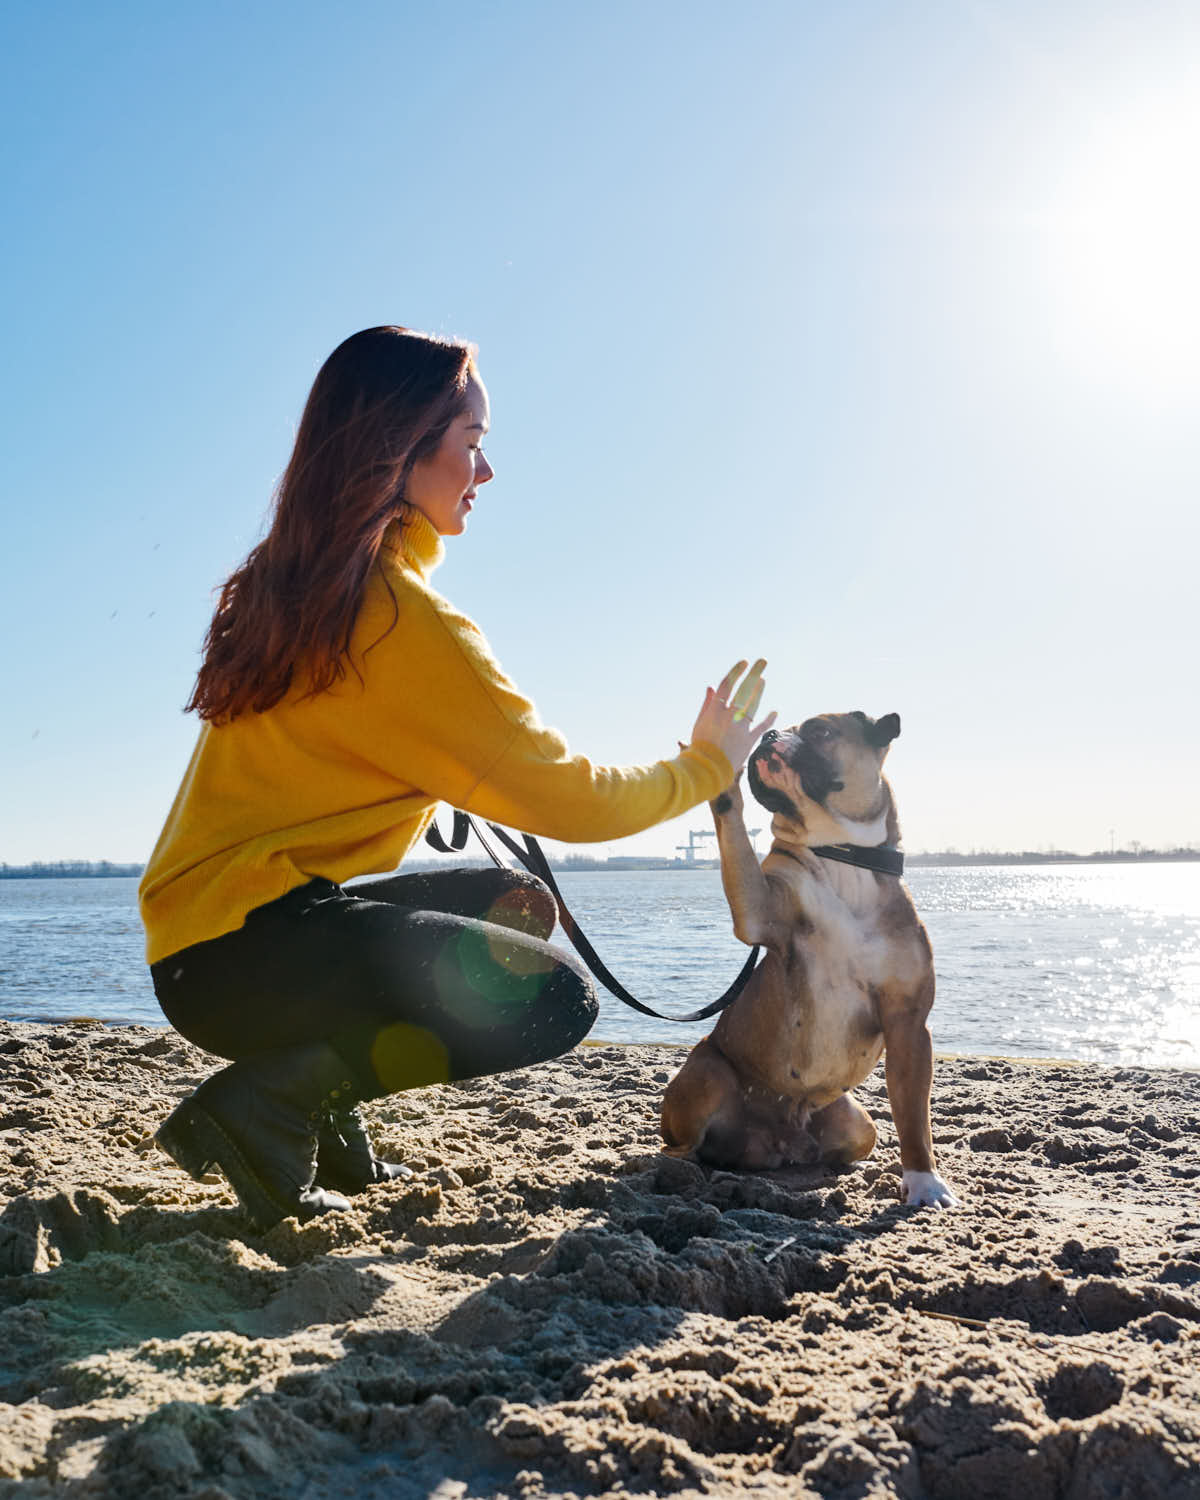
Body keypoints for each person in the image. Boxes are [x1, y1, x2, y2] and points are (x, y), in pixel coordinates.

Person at [139, 325, 775, 1230]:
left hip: (210, 947)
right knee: (553, 997)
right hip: (241, 957)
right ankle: (272, 1102)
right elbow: (573, 799)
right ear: (398, 451)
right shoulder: (396, 619)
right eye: (470, 445)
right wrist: (708, 764)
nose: (486, 471)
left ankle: (317, 1105)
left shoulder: (313, 584)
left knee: (515, 903)